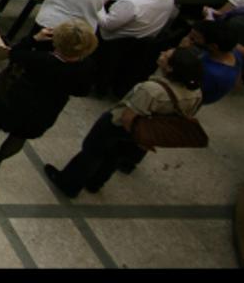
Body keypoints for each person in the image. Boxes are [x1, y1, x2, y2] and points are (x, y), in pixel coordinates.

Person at [44, 47, 202, 198]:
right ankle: (95, 183)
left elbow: (128, 117)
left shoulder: (152, 90)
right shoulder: (195, 92)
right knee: (114, 155)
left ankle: (69, 184)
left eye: (166, 56)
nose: (162, 53)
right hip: (144, 128)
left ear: (170, 68)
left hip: (119, 124)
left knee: (92, 152)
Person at [0, 20, 97, 174]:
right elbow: (82, 91)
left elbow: (14, 53)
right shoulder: (86, 67)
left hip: (15, 100)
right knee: (20, 136)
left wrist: (34, 39)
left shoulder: (40, 59)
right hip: (46, 109)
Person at [182, 20, 240, 106]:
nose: (189, 38)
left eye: (195, 37)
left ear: (213, 46)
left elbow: (186, 89)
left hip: (191, 98)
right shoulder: (233, 53)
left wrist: (181, 51)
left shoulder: (211, 73)